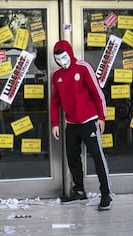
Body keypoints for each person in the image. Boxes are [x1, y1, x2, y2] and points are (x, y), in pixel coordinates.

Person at [50, 40, 112, 211]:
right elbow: (55, 102)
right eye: (58, 59)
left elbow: (97, 92)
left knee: (97, 157)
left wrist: (101, 116)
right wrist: (55, 123)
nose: (62, 62)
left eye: (64, 57)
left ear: (70, 53)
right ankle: (79, 190)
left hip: (89, 121)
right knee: (72, 157)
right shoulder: (57, 76)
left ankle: (106, 194)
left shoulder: (83, 67)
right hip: (71, 123)